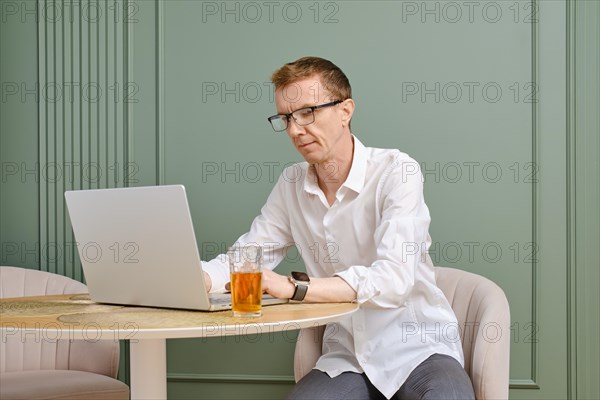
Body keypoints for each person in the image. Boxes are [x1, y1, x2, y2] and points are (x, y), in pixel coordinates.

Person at [201, 56, 475, 400]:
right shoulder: (291, 184)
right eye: (286, 118)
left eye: (307, 112)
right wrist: (196, 278)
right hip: (348, 357)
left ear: (345, 111)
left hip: (421, 350)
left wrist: (294, 287)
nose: (295, 130)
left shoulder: (396, 171)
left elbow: (393, 281)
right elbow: (246, 258)